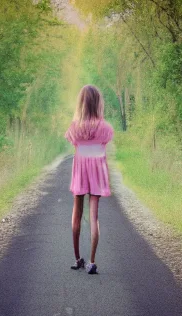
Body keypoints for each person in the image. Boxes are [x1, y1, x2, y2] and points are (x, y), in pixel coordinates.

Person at [64, 84, 114, 274]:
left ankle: (78, 259)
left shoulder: (74, 128)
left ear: (81, 103)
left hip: (80, 172)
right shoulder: (105, 128)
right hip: (98, 172)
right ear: (98, 103)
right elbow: (104, 143)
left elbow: (74, 143)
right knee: (94, 217)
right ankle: (92, 262)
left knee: (76, 215)